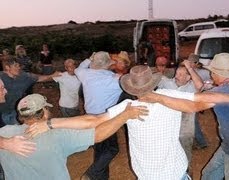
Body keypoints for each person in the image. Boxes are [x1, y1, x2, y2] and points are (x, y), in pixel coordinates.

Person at [28, 65, 229, 180]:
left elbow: (92, 120)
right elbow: (200, 101)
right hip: (175, 174)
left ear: (131, 88)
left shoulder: (127, 108)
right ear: (152, 82)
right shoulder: (167, 97)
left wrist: (51, 123)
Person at [139, 53, 229, 180]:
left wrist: (158, 98)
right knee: (209, 175)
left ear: (219, 74)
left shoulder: (222, 91)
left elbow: (191, 106)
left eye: (212, 72)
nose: (211, 74)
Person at [0, 93, 147, 180]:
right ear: (44, 112)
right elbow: (98, 134)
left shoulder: (5, 133)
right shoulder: (57, 136)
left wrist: (5, 143)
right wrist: (125, 115)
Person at [75, 51, 122, 180]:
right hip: (106, 119)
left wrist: (89, 59)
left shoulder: (85, 74)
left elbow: (78, 69)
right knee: (112, 149)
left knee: (100, 150)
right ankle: (91, 174)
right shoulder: (114, 80)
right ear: (108, 64)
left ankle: (101, 178)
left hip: (90, 118)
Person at [157, 60, 203, 174]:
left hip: (185, 129)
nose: (177, 76)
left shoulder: (192, 87)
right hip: (167, 128)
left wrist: (190, 68)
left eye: (181, 75)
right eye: (177, 73)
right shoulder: (166, 83)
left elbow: (200, 85)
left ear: (188, 78)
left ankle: (186, 174)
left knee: (185, 153)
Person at [0, 56, 60, 126]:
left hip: (17, 112)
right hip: (2, 113)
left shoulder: (23, 76)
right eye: (16, 66)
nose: (19, 68)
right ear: (7, 67)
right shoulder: (1, 77)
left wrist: (54, 75)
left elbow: (41, 78)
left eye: (19, 65)